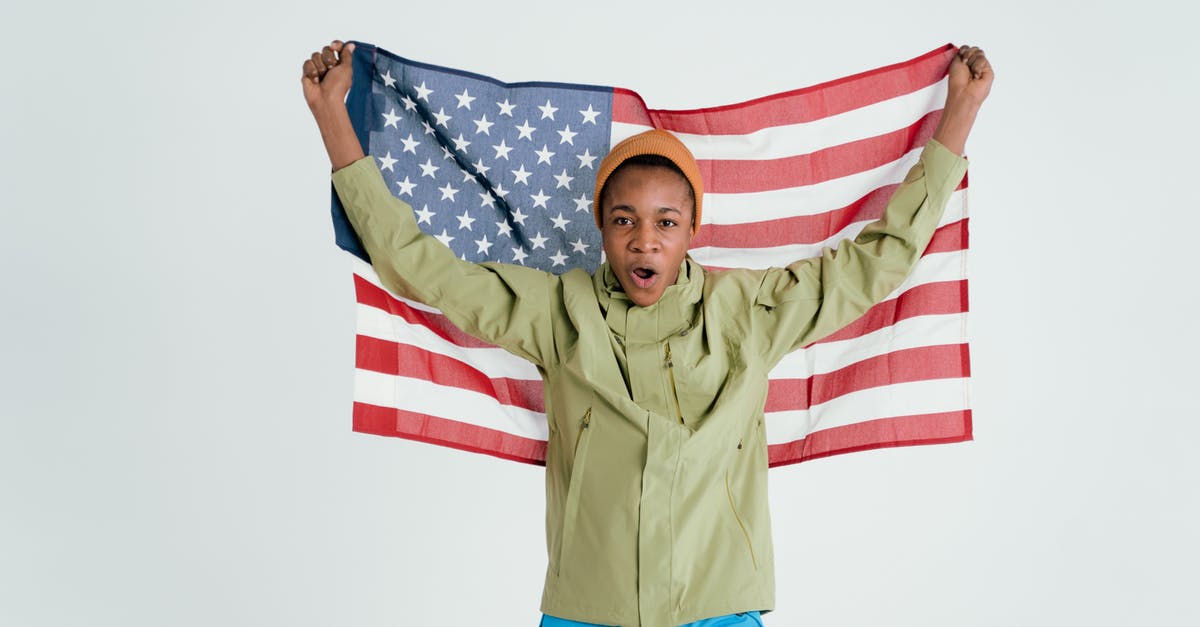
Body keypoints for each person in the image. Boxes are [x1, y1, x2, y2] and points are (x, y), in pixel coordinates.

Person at [302, 41, 992, 627]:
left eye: (666, 221)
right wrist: (336, 122)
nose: (644, 239)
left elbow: (877, 263)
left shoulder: (749, 310)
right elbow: (425, 270)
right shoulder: (556, 310)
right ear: (601, 229)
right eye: (624, 219)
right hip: (587, 606)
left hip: (721, 605)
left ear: (692, 231)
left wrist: (957, 119)